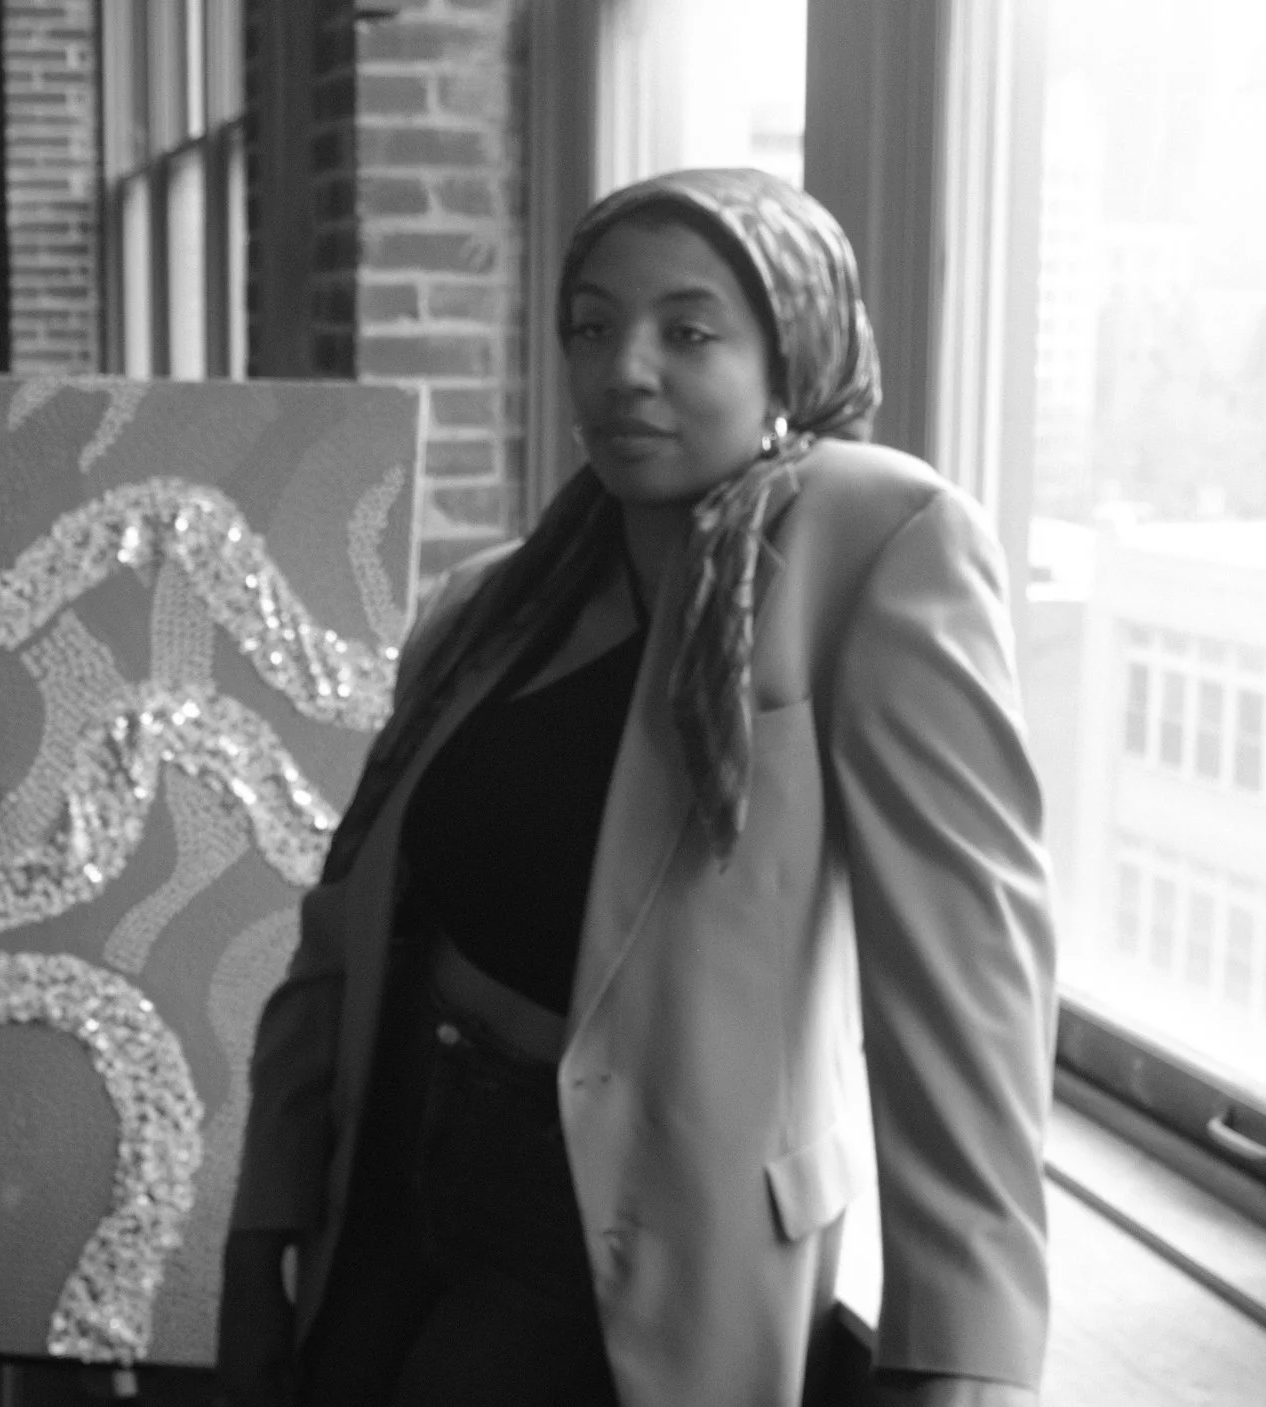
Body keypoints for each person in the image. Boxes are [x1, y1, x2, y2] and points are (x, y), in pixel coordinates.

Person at [215, 167, 1056, 1407]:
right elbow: (346, 933)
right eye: (593, 327)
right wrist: (260, 1225)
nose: (626, 370)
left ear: (792, 354)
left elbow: (967, 988)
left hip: (628, 1237)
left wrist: (963, 1357)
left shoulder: (871, 543)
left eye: (689, 330)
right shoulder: (488, 604)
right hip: (395, 1186)